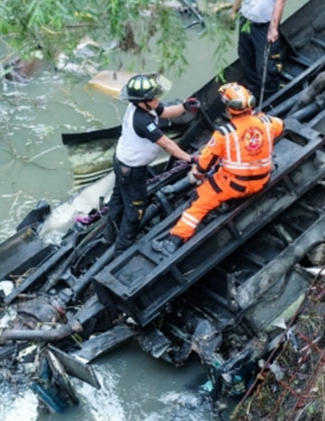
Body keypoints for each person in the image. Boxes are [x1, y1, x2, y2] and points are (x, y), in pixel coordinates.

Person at [153, 83, 283, 255]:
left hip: (235, 185)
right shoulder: (268, 123)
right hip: (262, 179)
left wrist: (196, 175)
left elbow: (205, 165)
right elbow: (280, 125)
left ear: (229, 108)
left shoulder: (224, 134)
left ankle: (173, 241)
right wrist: (259, 119)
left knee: (199, 203)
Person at [107, 74, 200, 256]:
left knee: (117, 200)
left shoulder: (143, 106)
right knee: (135, 212)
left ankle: (109, 235)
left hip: (122, 163)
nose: (156, 99)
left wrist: (184, 107)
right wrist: (190, 159)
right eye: (152, 97)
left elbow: (165, 112)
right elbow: (167, 145)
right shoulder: (142, 120)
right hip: (131, 171)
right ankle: (121, 251)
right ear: (143, 101)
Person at [232, 0, 286, 103]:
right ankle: (253, 92)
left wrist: (273, 29)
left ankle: (271, 97)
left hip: (264, 26)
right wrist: (233, 11)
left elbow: (280, 1)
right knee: (246, 58)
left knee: (265, 66)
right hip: (246, 21)